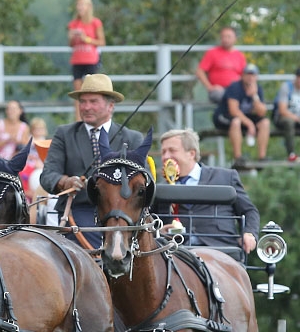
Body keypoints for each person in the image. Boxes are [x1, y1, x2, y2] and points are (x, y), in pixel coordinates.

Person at [40, 73, 144, 248]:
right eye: (83, 101)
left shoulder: (132, 138)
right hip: (77, 211)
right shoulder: (64, 134)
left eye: (93, 101)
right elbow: (48, 175)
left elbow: (145, 182)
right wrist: (65, 181)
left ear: (110, 106)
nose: (86, 107)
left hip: (122, 215)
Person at [157, 128, 259, 258]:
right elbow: (150, 221)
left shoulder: (226, 177)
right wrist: (160, 231)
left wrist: (249, 234)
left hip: (221, 251)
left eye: (172, 150)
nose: (166, 156)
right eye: (163, 152)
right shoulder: (160, 189)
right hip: (176, 255)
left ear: (191, 154)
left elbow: (249, 211)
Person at [212, 63, 269, 164]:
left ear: (256, 77)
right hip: (224, 116)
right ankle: (238, 157)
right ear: (243, 75)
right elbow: (233, 110)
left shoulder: (257, 89)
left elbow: (262, 112)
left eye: (253, 75)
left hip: (243, 117)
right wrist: (249, 124)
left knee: (265, 122)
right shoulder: (235, 87)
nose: (250, 77)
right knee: (236, 122)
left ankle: (262, 157)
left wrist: (255, 96)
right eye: (248, 74)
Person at [67, 0, 105, 121]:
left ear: (89, 7)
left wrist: (86, 39)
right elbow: (71, 44)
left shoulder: (95, 23)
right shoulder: (73, 23)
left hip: (91, 60)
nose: (79, 7)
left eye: (82, 5)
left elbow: (101, 42)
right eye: (78, 5)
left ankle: (95, 117)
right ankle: (79, 119)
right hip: (77, 60)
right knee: (78, 92)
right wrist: (72, 36)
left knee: (93, 91)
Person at [196, 26, 247, 104]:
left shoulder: (240, 55)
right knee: (223, 96)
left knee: (247, 96)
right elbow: (200, 71)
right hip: (218, 91)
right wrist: (210, 87)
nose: (225, 39)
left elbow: (245, 75)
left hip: (235, 89)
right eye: (223, 37)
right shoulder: (212, 53)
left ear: (235, 39)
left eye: (228, 37)